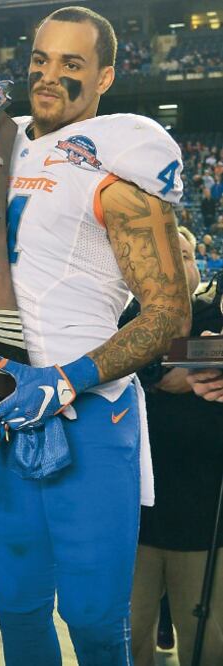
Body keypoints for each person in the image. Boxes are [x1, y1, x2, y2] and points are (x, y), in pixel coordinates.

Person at [0, 6, 191, 665]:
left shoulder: (119, 169)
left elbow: (168, 314)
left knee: (93, 620)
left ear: (106, 76)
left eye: (71, 63)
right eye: (40, 58)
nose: (49, 73)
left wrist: (65, 378)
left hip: (87, 413)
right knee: (17, 611)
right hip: (0, 406)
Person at [125, 229, 223, 665]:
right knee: (128, 639)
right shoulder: (124, 321)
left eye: (184, 254)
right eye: (166, 256)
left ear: (198, 267)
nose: (176, 264)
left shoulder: (214, 321)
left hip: (204, 523)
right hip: (133, 522)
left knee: (208, 643)